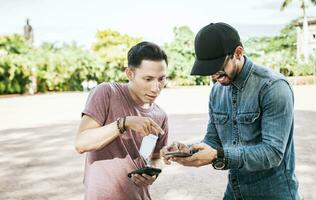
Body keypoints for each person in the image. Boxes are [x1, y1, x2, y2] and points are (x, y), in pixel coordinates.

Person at [161, 22, 299, 200]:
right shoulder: (217, 90)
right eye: (208, 71)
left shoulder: (273, 87)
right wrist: (187, 150)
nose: (214, 77)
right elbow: (213, 140)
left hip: (273, 194)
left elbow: (272, 153)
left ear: (238, 53)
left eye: (218, 68)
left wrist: (220, 155)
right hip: (234, 192)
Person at [75, 41, 169, 200]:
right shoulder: (106, 92)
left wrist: (152, 174)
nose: (156, 87)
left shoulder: (160, 115)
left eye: (161, 79)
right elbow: (81, 143)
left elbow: (155, 157)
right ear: (130, 74)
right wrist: (124, 123)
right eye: (148, 79)